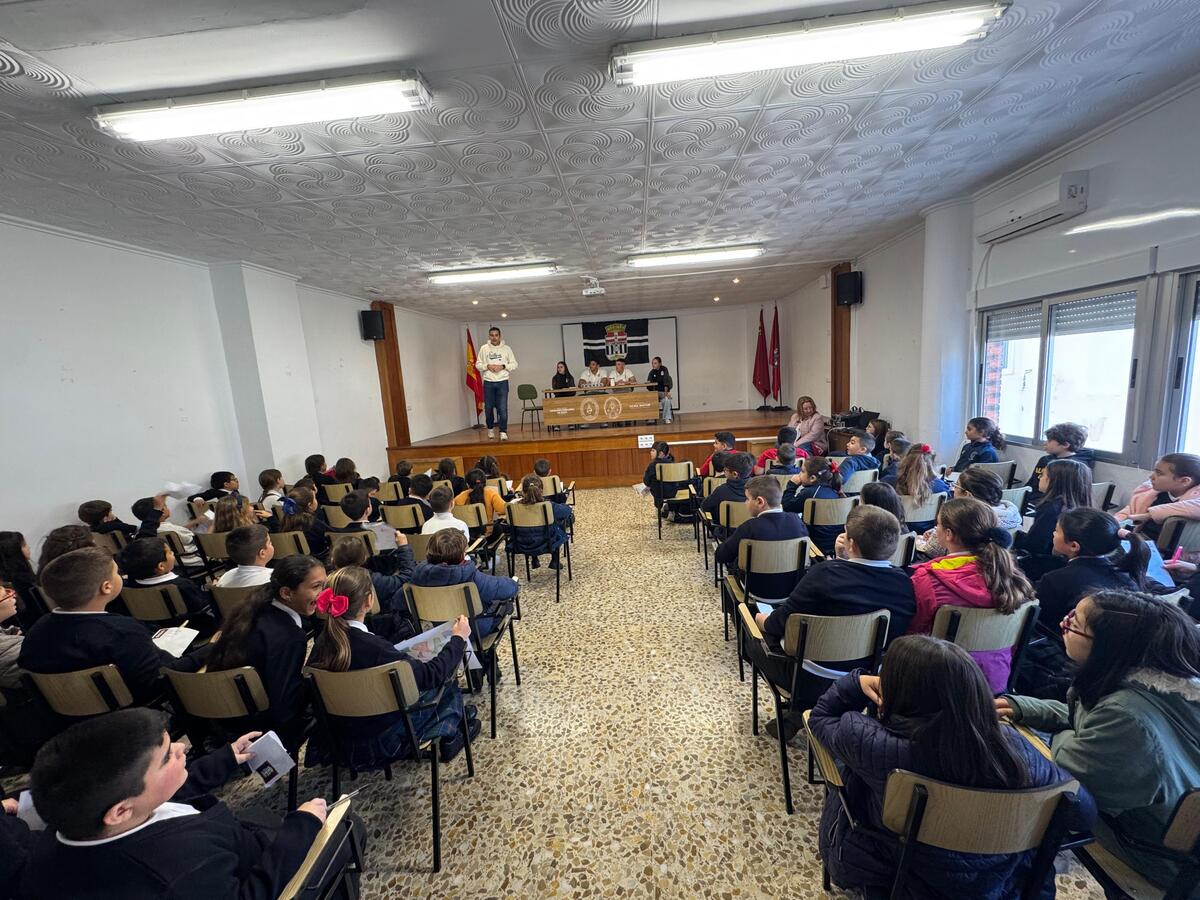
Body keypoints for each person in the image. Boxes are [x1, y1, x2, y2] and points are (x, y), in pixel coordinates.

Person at [812, 636, 1094, 898]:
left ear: (897, 691)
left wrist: (856, 681)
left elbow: (821, 716)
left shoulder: (867, 740)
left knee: (846, 775)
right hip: (995, 886)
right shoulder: (1018, 752)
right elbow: (1081, 814)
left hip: (901, 879)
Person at [20, 708, 342, 900]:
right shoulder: (179, 871)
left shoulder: (76, 823)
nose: (181, 748)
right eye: (166, 757)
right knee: (342, 827)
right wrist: (302, 827)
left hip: (225, 837)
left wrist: (226, 758)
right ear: (119, 811)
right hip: (255, 861)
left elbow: (161, 793)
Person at [999, 591, 1200, 893]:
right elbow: (1084, 719)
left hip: (1151, 853)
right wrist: (1025, 707)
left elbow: (1072, 774)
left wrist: (1058, 735)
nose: (1063, 623)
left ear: (1109, 646)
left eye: (1075, 621)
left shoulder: (1127, 717)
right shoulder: (1169, 687)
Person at [750, 506, 915, 738]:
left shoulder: (823, 574)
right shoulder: (905, 585)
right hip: (867, 677)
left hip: (808, 674)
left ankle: (798, 711)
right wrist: (842, 559)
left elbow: (779, 623)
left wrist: (760, 621)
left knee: (751, 632)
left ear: (852, 543)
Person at [304, 565, 478, 768]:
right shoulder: (377, 650)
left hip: (342, 740)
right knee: (446, 677)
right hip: (385, 738)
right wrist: (458, 638)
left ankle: (457, 719)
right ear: (369, 600)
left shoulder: (320, 644)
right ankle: (451, 732)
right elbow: (433, 675)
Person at [19, 547, 210, 705]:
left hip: (70, 712)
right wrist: (212, 648)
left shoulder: (35, 631)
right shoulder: (121, 631)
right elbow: (164, 675)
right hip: (132, 705)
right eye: (117, 572)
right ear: (106, 587)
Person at [909, 498, 1036, 692]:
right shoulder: (1013, 579)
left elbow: (913, 634)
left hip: (935, 682)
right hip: (993, 682)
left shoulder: (928, 579)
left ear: (949, 535)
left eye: (939, 524)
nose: (936, 527)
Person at [205, 556, 327, 748]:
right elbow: (284, 706)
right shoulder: (289, 637)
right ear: (287, 593)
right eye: (316, 586)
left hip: (226, 711)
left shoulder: (255, 608)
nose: (324, 592)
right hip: (259, 724)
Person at [1036, 508, 1151, 627]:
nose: (1053, 533)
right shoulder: (1128, 576)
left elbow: (1040, 621)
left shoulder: (1055, 580)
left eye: (1057, 531)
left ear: (1074, 546)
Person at [408, 529, 518, 638]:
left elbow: (399, 603)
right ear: (462, 555)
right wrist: (514, 583)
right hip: (474, 630)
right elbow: (508, 589)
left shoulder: (418, 577)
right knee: (504, 603)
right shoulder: (470, 575)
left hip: (443, 629)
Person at [714, 476, 807, 601]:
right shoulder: (797, 521)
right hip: (792, 589)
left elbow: (721, 556)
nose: (745, 503)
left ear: (760, 501)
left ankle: (739, 615)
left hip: (755, 590)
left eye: (747, 499)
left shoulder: (749, 527)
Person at [1014, 458, 1092, 579]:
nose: (1039, 478)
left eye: (1044, 475)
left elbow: (1035, 545)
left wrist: (1016, 536)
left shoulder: (1051, 508)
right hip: (1068, 565)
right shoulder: (1084, 505)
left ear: (1054, 481)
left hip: (1044, 566)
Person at [918, 467, 1022, 556]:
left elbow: (934, 550)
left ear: (967, 495)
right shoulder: (1011, 515)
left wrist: (922, 540)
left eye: (956, 486)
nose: (953, 489)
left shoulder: (967, 517)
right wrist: (935, 531)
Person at [1113, 452, 1200, 542]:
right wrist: (1110, 523)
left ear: (1184, 481)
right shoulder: (1150, 493)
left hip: (1168, 553)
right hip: (1137, 540)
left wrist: (1149, 515)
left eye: (1159, 473)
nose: (1151, 476)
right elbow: (1128, 513)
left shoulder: (1194, 501)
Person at [117, 537, 211, 618]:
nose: (173, 553)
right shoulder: (182, 585)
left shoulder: (128, 585)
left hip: (157, 628)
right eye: (169, 552)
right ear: (161, 566)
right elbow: (203, 606)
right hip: (194, 628)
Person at [781, 457, 845, 555]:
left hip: (814, 544)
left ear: (812, 478)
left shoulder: (809, 493)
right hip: (835, 542)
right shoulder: (835, 489)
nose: (799, 474)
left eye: (802, 471)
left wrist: (792, 485)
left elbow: (787, 507)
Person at [1024, 422, 1095, 508]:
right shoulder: (1044, 460)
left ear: (1065, 444)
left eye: (1049, 441)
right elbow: (1031, 484)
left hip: (1052, 504)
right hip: (1033, 499)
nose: (1045, 443)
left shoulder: (1076, 467)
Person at [509, 475, 571, 569]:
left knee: (530, 528)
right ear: (542, 490)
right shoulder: (548, 506)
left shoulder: (514, 507)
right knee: (557, 524)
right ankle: (555, 560)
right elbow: (566, 511)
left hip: (521, 544)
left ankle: (534, 559)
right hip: (546, 543)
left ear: (523, 491)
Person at [132, 495, 205, 569]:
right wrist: (213, 526)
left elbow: (178, 534)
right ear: (162, 511)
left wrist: (194, 522)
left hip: (175, 563)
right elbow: (198, 541)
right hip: (195, 560)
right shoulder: (170, 529)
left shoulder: (145, 532)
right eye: (165, 506)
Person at [889, 443, 950, 531]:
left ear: (905, 459)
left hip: (898, 533)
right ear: (932, 462)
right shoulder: (942, 488)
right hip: (927, 534)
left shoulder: (889, 484)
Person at [476, 326, 518, 440]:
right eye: (492, 335)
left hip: (502, 382)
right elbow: (478, 364)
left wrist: (503, 366)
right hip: (488, 383)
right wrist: (487, 366)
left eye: (496, 335)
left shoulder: (507, 349)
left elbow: (514, 364)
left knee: (502, 408)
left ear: (500, 336)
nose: (494, 337)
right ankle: (490, 428)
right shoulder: (484, 348)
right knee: (488, 408)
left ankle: (503, 431)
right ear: (489, 336)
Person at [701, 452, 755, 537]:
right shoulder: (758, 488)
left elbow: (704, 506)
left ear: (734, 474)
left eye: (725, 470)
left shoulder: (721, 490)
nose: (724, 472)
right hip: (751, 532)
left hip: (727, 534)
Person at [0, 531, 39, 630]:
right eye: (24, 545)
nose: (29, 548)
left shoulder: (5, 582)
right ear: (14, 552)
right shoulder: (24, 582)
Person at [278, 487, 331, 559]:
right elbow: (332, 534)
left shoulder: (285, 521)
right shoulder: (311, 522)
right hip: (317, 561)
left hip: (295, 562)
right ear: (309, 505)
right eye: (315, 498)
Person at [646, 356, 673, 424]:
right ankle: (651, 418)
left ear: (660, 363)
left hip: (664, 391)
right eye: (652, 363)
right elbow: (649, 386)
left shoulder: (664, 369)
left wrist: (666, 393)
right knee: (649, 399)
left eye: (655, 363)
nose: (653, 365)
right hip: (655, 393)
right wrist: (648, 383)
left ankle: (666, 418)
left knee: (666, 400)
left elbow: (666, 382)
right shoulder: (652, 372)